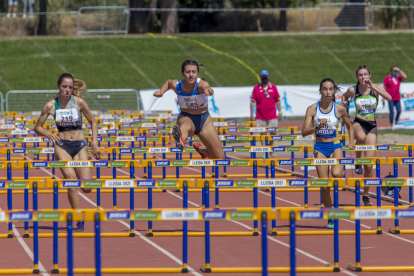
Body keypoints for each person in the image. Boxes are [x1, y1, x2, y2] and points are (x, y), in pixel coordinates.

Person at [35, 73, 102, 232]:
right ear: (58, 86)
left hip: (80, 145)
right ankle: (78, 219)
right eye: (64, 87)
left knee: (87, 188)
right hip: (62, 145)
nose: (67, 90)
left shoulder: (79, 102)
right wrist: (48, 134)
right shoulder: (51, 106)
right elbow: (37, 127)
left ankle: (80, 181)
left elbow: (93, 121)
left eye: (70, 87)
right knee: (71, 180)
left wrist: (94, 143)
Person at [302, 78, 355, 229]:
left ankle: (339, 172)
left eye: (330, 89)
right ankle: (330, 215)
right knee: (325, 185)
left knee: (337, 175)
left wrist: (351, 142)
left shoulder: (339, 109)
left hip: (335, 145)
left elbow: (350, 126)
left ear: (334, 91)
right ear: (320, 91)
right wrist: (317, 127)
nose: (328, 92)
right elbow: (304, 132)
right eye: (325, 89)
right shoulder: (312, 109)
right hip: (320, 147)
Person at [153, 60, 224, 160]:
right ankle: (181, 138)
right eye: (188, 72)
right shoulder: (177, 85)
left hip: (204, 121)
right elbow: (169, 82)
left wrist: (208, 90)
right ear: (182, 73)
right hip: (186, 116)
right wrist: (161, 92)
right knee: (185, 126)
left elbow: (205, 87)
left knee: (219, 158)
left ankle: (201, 149)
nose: (191, 75)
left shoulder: (201, 85)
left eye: (194, 72)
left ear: (197, 73)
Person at [341, 65, 391, 206]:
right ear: (357, 77)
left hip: (372, 125)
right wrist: (345, 103)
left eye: (365, 74)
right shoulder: (354, 90)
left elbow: (389, 97)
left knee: (369, 166)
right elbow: (344, 96)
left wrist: (373, 87)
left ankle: (366, 195)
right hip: (358, 122)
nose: (363, 77)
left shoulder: (376, 87)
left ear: (369, 75)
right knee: (361, 138)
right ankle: (358, 160)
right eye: (360, 75)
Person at [250, 70, 282, 158]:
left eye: (266, 76)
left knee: (273, 132)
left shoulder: (273, 87)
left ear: (268, 77)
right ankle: (264, 150)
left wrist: (280, 111)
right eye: (263, 76)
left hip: (272, 115)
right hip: (260, 115)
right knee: (262, 134)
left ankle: (270, 147)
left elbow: (277, 100)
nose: (264, 78)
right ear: (260, 77)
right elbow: (252, 101)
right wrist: (252, 114)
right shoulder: (256, 88)